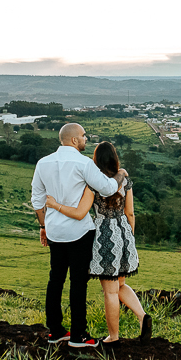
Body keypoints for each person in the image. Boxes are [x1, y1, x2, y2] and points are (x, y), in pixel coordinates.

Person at [44, 141, 151, 346]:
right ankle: (142, 315)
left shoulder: (93, 184)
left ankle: (113, 337)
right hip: (124, 232)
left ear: (96, 161)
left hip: (105, 235)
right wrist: (129, 238)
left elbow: (79, 213)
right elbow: (130, 213)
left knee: (110, 291)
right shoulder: (125, 180)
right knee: (120, 284)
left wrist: (55, 205)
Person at [31, 123, 123, 348]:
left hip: (54, 231)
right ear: (74, 140)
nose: (85, 139)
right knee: (78, 283)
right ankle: (78, 335)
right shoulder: (84, 163)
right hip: (79, 231)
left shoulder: (43, 163)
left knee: (55, 279)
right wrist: (120, 174)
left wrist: (43, 226)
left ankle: (55, 331)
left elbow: (37, 201)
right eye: (83, 136)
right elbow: (108, 188)